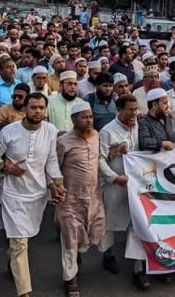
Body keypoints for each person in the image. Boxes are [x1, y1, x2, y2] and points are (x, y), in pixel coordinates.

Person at [0, 93, 65, 297]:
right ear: (25, 109)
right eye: (33, 107)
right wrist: (6, 167)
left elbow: (51, 160)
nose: (38, 111)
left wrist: (57, 184)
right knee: (19, 243)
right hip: (13, 194)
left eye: (41, 108)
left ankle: (12, 261)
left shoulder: (50, 130)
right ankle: (24, 292)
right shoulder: (8, 132)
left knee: (23, 238)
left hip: (37, 194)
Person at [56, 102, 105, 297]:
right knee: (69, 239)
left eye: (91, 117)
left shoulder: (96, 136)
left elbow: (100, 160)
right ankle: (70, 279)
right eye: (84, 117)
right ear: (74, 119)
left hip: (93, 197)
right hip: (70, 200)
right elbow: (54, 167)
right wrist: (55, 189)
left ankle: (77, 256)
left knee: (92, 234)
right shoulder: (63, 142)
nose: (89, 120)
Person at [98, 95, 142, 280]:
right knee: (110, 221)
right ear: (119, 110)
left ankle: (139, 266)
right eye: (130, 110)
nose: (134, 113)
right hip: (115, 185)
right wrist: (114, 178)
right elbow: (100, 160)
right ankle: (108, 255)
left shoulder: (138, 126)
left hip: (136, 183)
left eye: (136, 109)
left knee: (137, 222)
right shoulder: (107, 131)